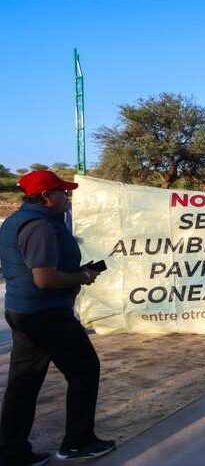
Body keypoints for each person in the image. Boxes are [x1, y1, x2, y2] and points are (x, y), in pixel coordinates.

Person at [0, 171, 116, 466]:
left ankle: (11, 453)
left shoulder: (17, 220)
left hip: (23, 311)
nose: (68, 197)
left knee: (23, 384)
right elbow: (45, 278)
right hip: (46, 313)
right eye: (63, 193)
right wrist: (81, 276)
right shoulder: (40, 227)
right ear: (46, 197)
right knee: (84, 371)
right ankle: (78, 443)